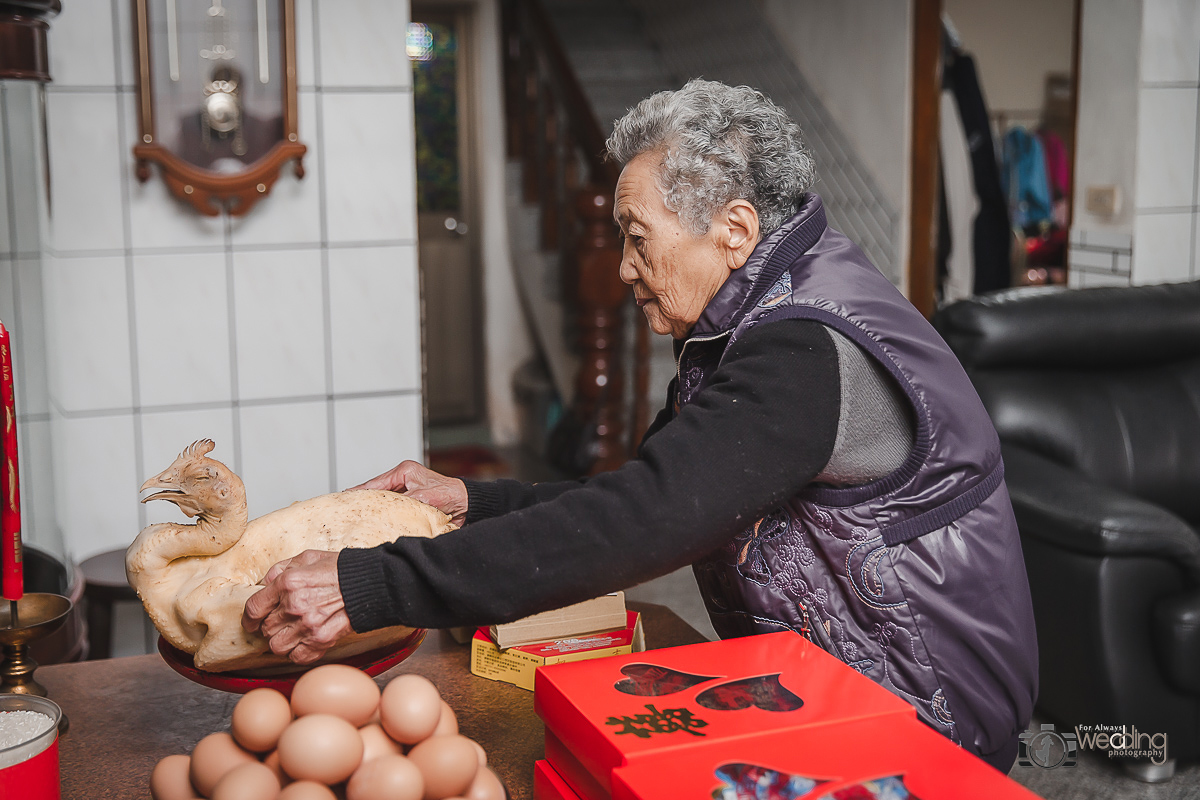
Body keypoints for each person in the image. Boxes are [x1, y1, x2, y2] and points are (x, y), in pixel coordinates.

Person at [242, 79, 1037, 772]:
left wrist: (377, 586)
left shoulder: (803, 348)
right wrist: (470, 503)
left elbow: (645, 522)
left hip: (925, 724)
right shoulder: (755, 317)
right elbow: (650, 495)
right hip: (833, 691)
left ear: (734, 229)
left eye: (636, 237)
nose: (623, 268)